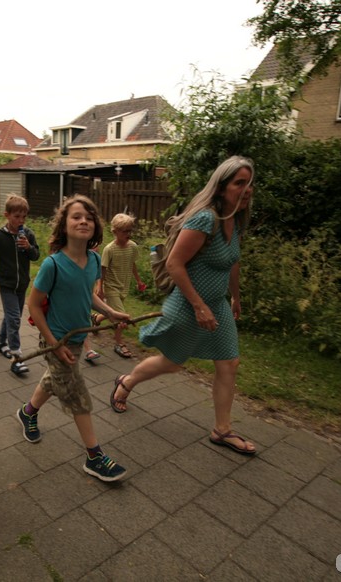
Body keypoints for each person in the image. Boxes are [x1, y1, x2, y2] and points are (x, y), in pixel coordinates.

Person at [109, 156, 257, 456]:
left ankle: (222, 429)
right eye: (239, 183)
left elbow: (233, 262)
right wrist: (199, 306)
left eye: (250, 183)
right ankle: (126, 381)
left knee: (229, 363)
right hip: (189, 304)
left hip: (217, 304)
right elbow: (175, 264)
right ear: (221, 187)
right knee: (173, 363)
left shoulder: (236, 220)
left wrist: (235, 296)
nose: (247, 189)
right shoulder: (205, 219)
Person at [15, 195, 130, 482]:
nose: (83, 221)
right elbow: (33, 305)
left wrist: (110, 312)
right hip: (56, 341)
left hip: (78, 340)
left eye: (89, 217)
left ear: (95, 226)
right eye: (76, 216)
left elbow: (87, 294)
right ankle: (94, 457)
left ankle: (28, 413)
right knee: (77, 394)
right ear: (64, 225)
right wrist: (54, 344)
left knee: (53, 380)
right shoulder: (53, 265)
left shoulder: (93, 260)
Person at [0, 195, 40, 375]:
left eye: (24, 217)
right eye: (17, 217)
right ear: (7, 215)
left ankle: (1, 343)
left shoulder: (28, 234)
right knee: (14, 318)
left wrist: (28, 247)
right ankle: (17, 357)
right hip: (6, 283)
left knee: (11, 316)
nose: (21, 221)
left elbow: (36, 256)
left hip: (22, 284)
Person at [93, 213, 146, 359]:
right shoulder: (109, 249)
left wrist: (139, 280)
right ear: (115, 231)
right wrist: (100, 287)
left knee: (113, 312)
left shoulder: (133, 246)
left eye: (130, 230)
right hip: (111, 287)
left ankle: (96, 319)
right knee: (120, 317)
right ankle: (119, 343)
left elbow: (132, 264)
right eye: (124, 231)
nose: (128, 234)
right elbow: (102, 269)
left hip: (124, 286)